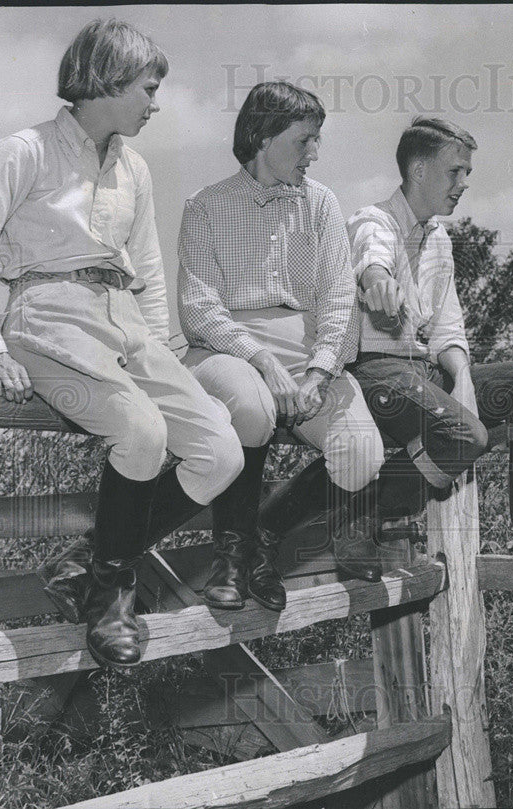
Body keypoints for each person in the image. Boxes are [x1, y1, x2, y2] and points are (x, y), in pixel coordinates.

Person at [0, 20, 244, 673]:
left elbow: (150, 271)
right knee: (140, 433)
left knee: (221, 453)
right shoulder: (25, 150)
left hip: (124, 318)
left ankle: (85, 563)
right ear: (107, 81)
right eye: (149, 86)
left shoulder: (133, 167)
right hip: (46, 314)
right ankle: (112, 594)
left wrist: (168, 356)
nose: (157, 102)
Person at [343, 116, 513, 582]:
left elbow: (448, 331)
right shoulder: (373, 221)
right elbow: (372, 262)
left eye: (467, 174)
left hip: (423, 374)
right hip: (376, 374)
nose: (463, 184)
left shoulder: (439, 240)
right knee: (466, 436)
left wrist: (464, 380)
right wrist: (377, 282)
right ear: (417, 171)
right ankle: (365, 509)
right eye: (455, 172)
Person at [178, 81, 386, 600]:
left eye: (319, 140)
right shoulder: (204, 206)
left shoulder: (322, 205)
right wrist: (264, 362)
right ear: (262, 136)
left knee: (361, 453)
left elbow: (340, 300)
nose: (315, 154)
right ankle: (232, 560)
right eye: (304, 141)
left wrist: (318, 372)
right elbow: (199, 308)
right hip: (226, 345)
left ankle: (261, 542)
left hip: (308, 347)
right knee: (251, 409)